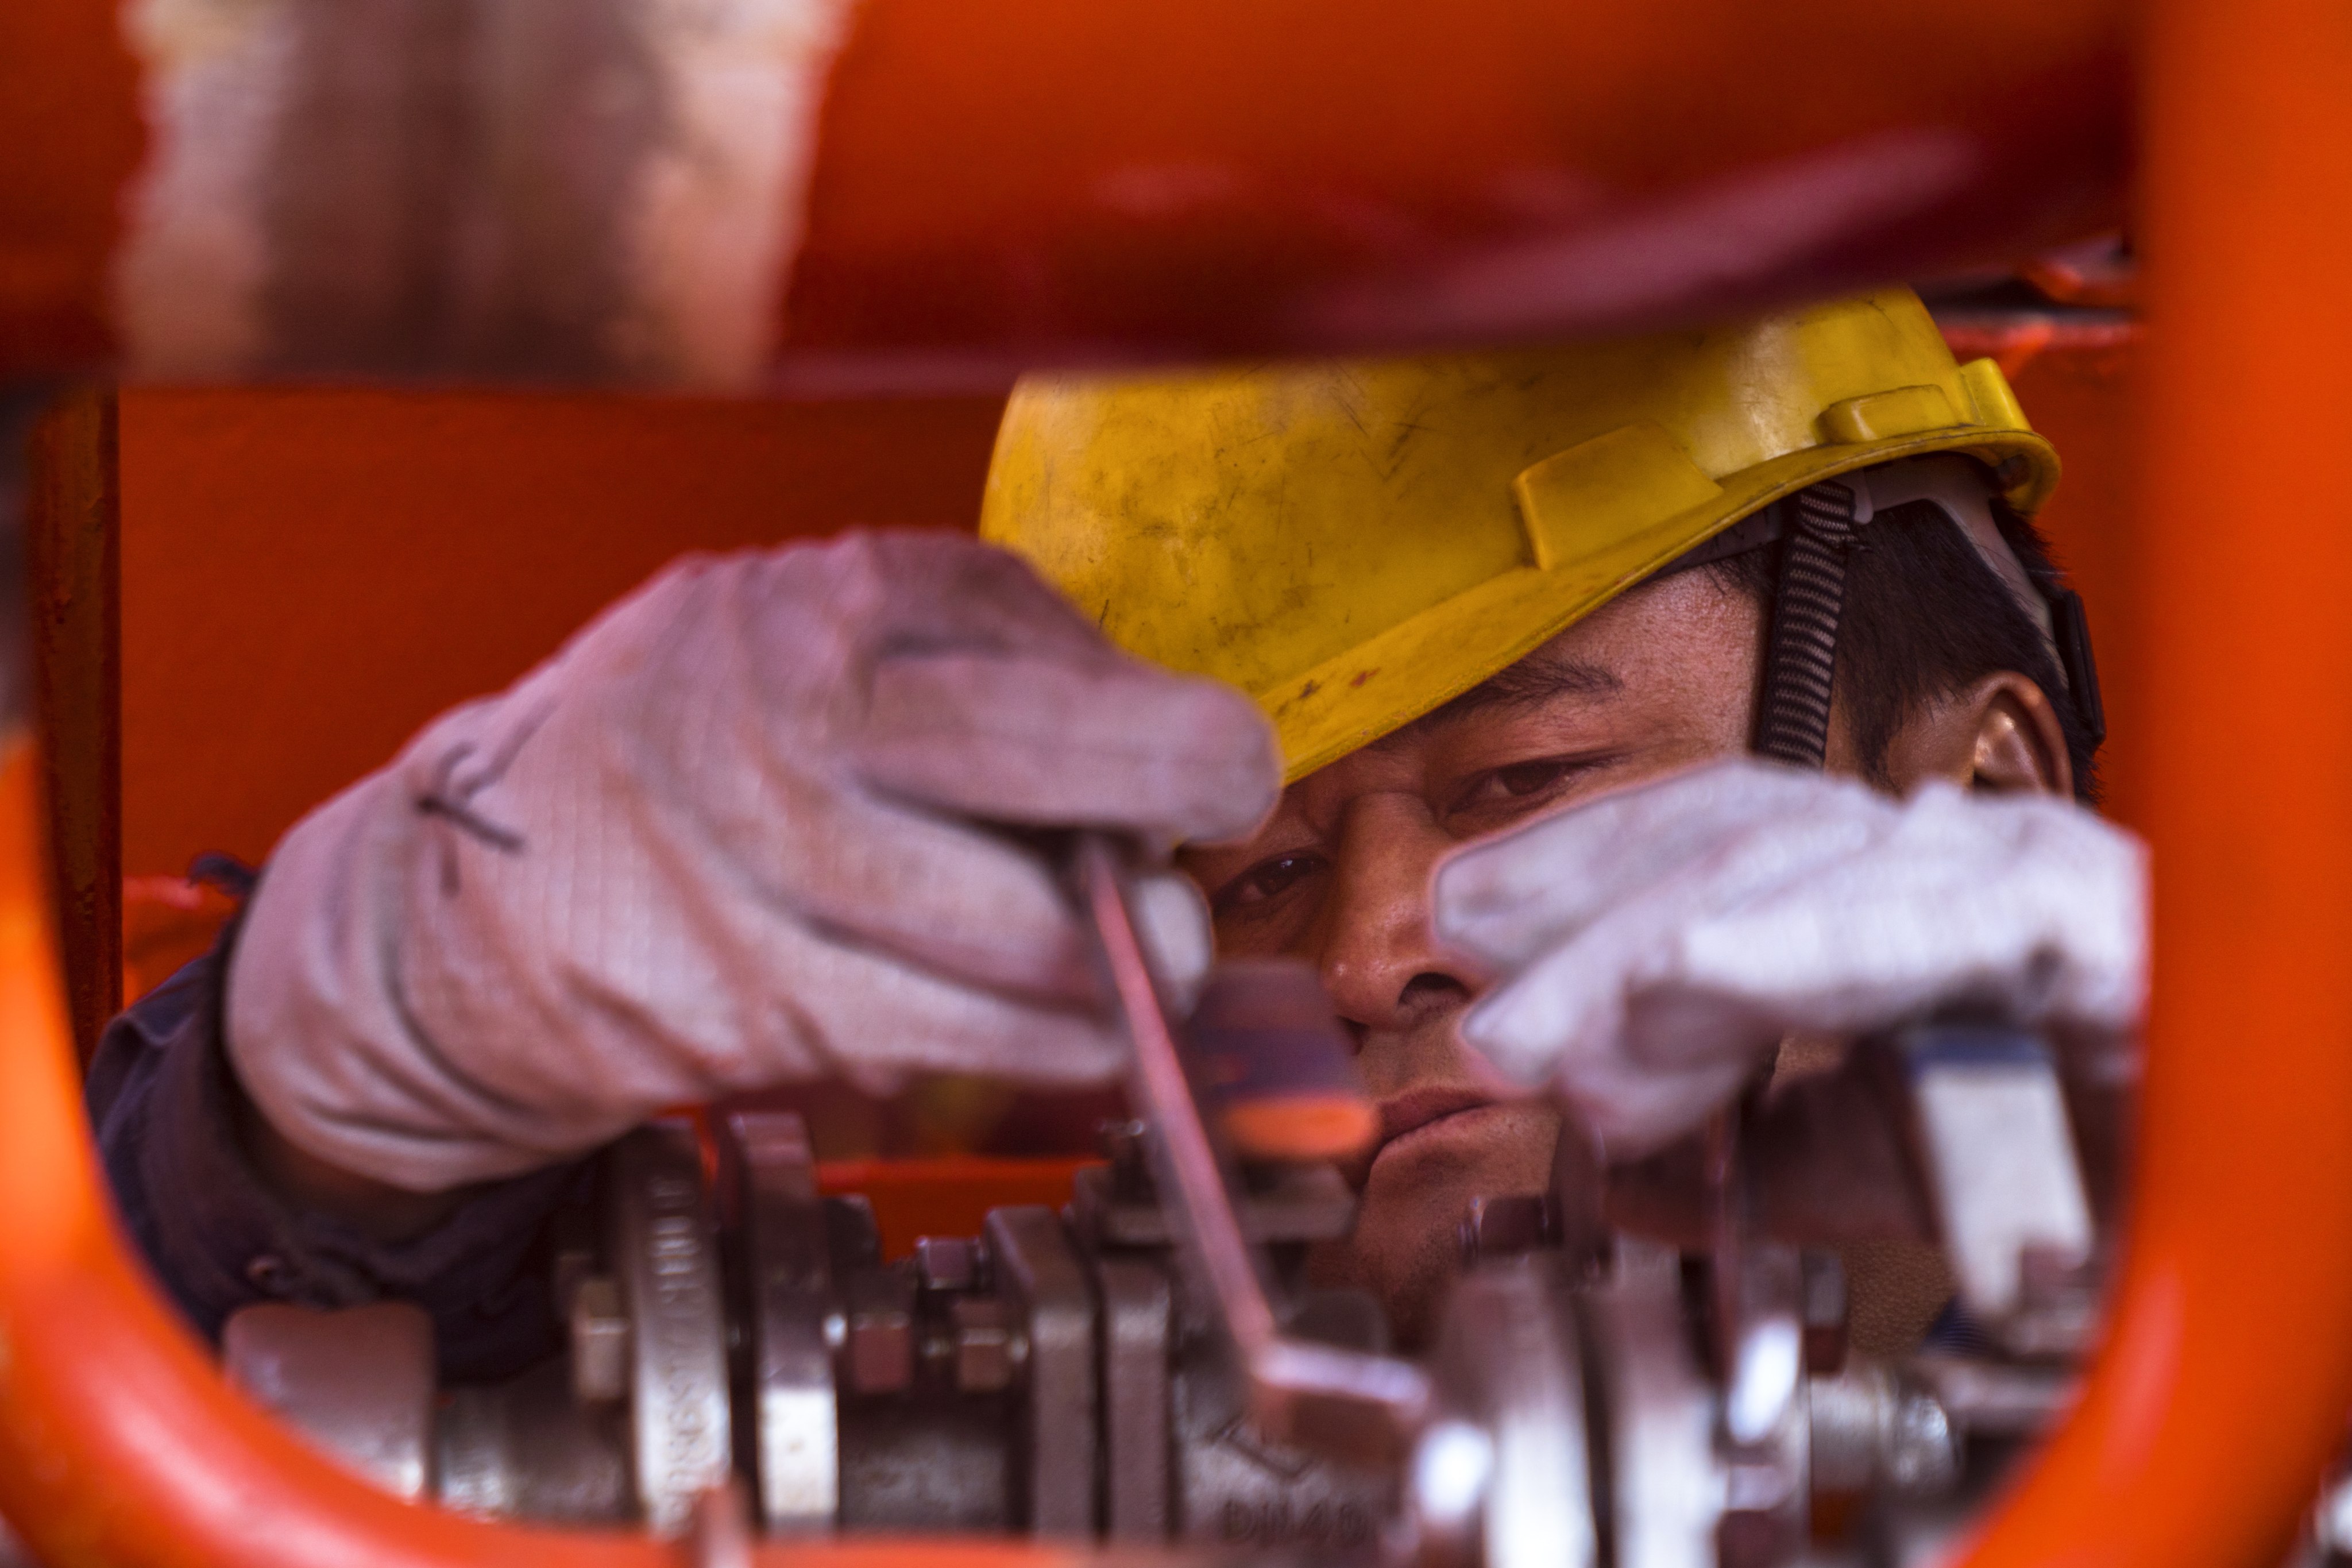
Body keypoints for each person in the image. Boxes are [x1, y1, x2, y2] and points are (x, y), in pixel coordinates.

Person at [86, 287, 2142, 1376]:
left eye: (1524, 785)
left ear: (1989, 793)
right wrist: (316, 1118)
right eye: (1255, 873)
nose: (1358, 956)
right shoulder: (1037, 1446)